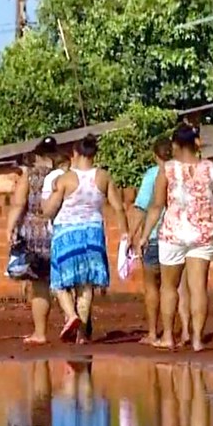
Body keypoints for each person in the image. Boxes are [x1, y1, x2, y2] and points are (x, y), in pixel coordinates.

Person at [138, 124, 213, 352]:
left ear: (175, 145)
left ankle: (168, 336)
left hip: (173, 233)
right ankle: (197, 340)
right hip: (202, 234)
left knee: (169, 287)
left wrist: (145, 235)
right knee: (198, 289)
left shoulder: (166, 170)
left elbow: (157, 206)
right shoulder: (210, 168)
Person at [42, 134, 130, 344]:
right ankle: (82, 334)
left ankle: (71, 315)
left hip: (67, 232)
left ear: (75, 153)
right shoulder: (104, 177)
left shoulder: (64, 179)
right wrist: (125, 233)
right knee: (86, 284)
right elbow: (118, 207)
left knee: (59, 282)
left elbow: (49, 210)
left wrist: (47, 198)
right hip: (93, 233)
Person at [5, 137, 69, 344]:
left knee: (40, 285)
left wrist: (10, 228)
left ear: (38, 155)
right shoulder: (64, 176)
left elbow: (18, 203)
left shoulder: (29, 176)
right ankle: (76, 325)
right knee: (66, 283)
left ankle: (40, 333)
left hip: (34, 234)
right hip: (59, 231)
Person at [132, 138, 192, 347]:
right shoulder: (184, 173)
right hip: (181, 236)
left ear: (155, 155)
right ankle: (185, 331)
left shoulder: (152, 176)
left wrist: (136, 236)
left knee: (152, 286)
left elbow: (142, 208)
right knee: (180, 286)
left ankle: (153, 332)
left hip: (157, 235)